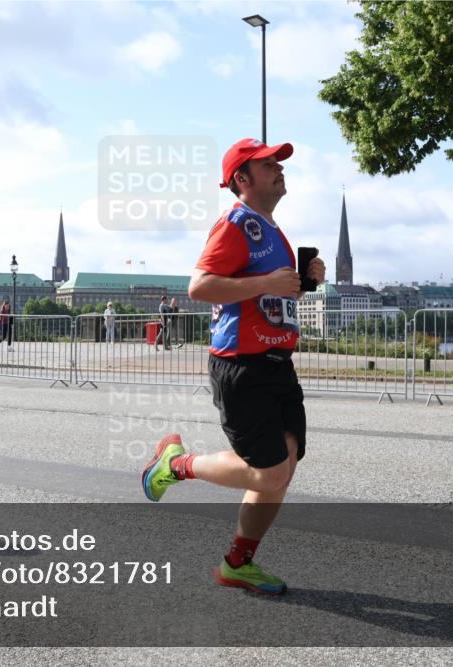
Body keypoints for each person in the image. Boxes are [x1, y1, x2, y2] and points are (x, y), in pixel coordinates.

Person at [141, 138, 325, 595]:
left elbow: (269, 294)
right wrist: (266, 282)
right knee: (269, 472)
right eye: (269, 165)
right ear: (242, 178)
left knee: (284, 466)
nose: (280, 170)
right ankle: (177, 464)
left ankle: (237, 564)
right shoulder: (236, 223)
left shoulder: (272, 229)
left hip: (277, 364)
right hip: (242, 364)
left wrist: (304, 283)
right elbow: (200, 286)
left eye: (279, 163)